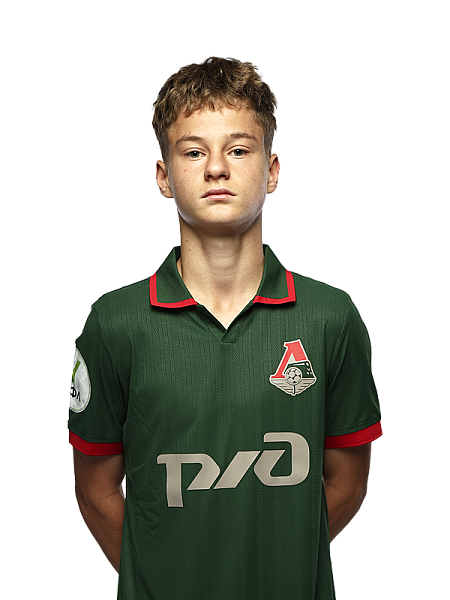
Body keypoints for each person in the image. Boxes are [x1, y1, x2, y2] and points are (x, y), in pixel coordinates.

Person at [68, 55, 382, 599]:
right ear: (163, 177)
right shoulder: (114, 324)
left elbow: (347, 483)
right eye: (194, 151)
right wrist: (163, 577)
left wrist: (274, 569)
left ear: (273, 171)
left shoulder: (330, 317)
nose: (216, 168)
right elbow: (96, 491)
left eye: (238, 149)